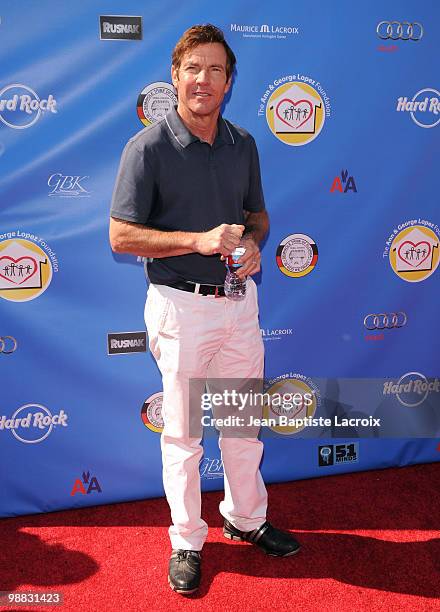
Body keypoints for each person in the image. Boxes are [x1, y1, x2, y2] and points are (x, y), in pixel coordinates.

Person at [109, 24, 300, 595]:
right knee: (185, 434)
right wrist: (196, 241)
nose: (204, 80)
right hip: (180, 309)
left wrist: (255, 246)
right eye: (194, 68)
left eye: (216, 70)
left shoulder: (243, 143)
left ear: (229, 82)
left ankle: (246, 518)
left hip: (240, 307)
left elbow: (259, 216)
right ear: (176, 76)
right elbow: (120, 235)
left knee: (242, 425)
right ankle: (188, 540)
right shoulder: (147, 148)